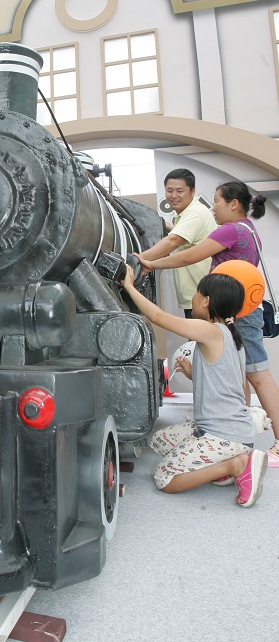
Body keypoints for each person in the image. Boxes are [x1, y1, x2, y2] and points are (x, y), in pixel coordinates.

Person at [136, 180, 279, 462]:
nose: (213, 207)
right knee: (243, 377)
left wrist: (148, 263)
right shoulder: (250, 230)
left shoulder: (231, 229)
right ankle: (237, 441)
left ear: (233, 204)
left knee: (259, 377)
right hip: (244, 310)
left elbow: (188, 256)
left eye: (216, 201)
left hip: (240, 313)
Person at [122, 265, 267, 505]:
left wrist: (128, 286)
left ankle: (236, 464)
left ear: (206, 301)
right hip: (230, 430)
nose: (194, 297)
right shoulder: (232, 335)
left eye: (198, 293)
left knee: (164, 478)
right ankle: (227, 460)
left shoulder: (209, 330)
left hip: (222, 433)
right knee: (159, 442)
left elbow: (158, 317)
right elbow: (235, 385)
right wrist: (193, 373)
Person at [138, 169, 216, 318]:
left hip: (204, 299)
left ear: (192, 191)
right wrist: (170, 227)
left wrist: (138, 259)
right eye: (169, 191)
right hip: (198, 297)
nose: (173, 196)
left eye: (179, 191)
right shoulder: (185, 214)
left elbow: (173, 241)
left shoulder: (195, 213)